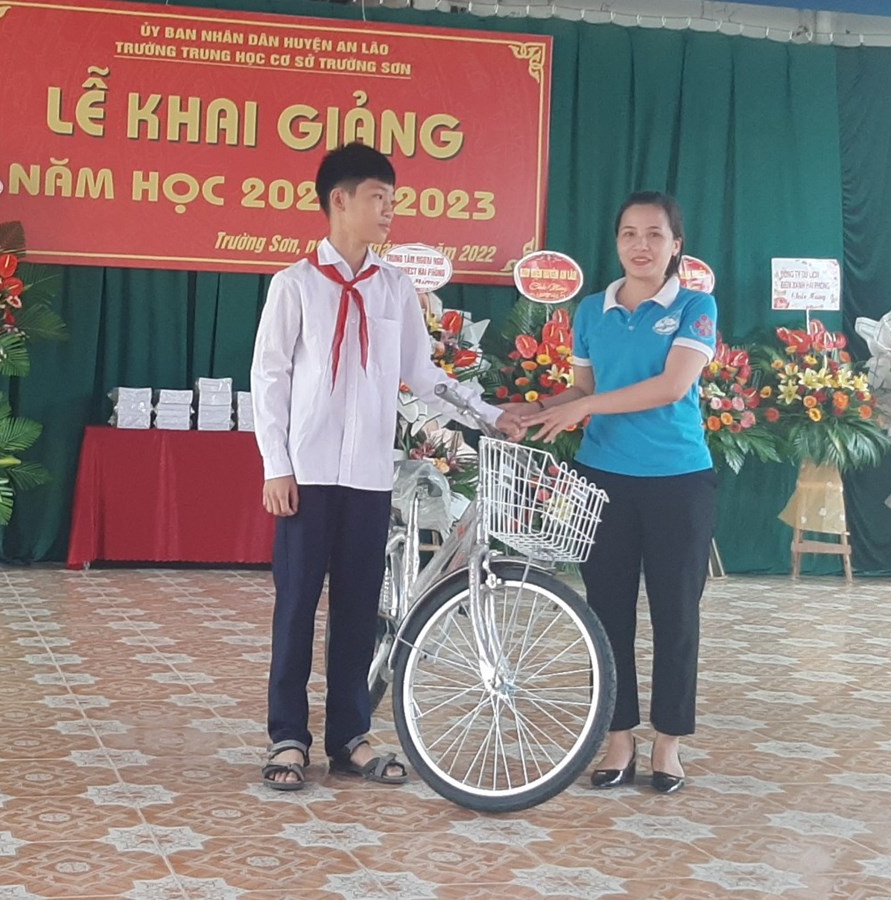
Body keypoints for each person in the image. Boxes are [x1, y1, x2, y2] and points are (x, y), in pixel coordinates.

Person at [251, 142, 513, 790]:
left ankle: (350, 736)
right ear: (339, 200)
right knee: (296, 605)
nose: (390, 210)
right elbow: (270, 378)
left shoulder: (395, 288)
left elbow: (422, 375)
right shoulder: (294, 285)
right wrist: (276, 465)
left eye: (394, 200)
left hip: (369, 475)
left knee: (360, 607)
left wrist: (489, 414)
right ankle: (287, 737)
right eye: (379, 198)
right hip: (307, 473)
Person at [517, 191, 717, 794]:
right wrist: (530, 410)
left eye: (655, 234)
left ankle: (669, 743)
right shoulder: (590, 310)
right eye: (629, 233)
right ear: (617, 242)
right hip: (602, 479)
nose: (641, 245)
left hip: (678, 479)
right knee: (605, 614)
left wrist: (584, 407)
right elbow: (582, 390)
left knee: (676, 614)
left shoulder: (695, 305)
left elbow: (670, 386)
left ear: (676, 245)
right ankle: (618, 738)